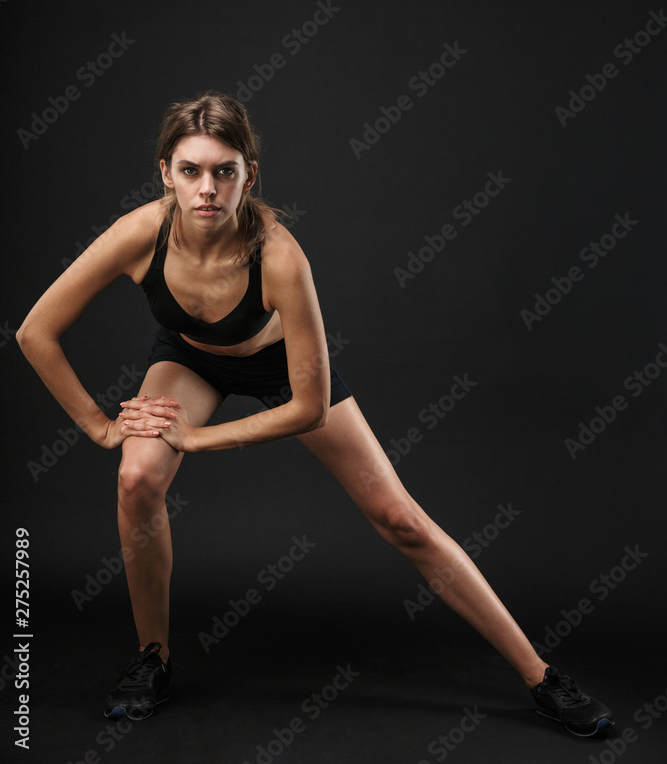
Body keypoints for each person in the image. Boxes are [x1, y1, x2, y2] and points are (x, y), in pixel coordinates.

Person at [17, 91, 613, 738]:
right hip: (189, 360)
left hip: (283, 371)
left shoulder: (278, 256)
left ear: (250, 173)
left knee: (400, 519)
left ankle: (539, 675)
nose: (207, 188)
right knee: (136, 478)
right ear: (166, 172)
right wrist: (101, 428)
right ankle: (152, 657)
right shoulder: (140, 235)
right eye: (190, 171)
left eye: (225, 170)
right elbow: (35, 333)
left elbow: (305, 407)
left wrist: (197, 438)